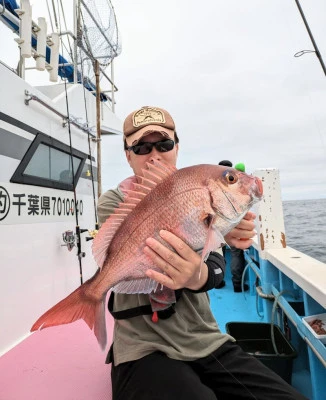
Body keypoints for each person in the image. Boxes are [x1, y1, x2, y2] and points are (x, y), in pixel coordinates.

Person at [98, 106, 307, 400]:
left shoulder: (197, 196)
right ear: (128, 154)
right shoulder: (114, 203)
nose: (154, 155)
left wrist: (218, 238)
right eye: (142, 147)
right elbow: (159, 249)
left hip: (205, 338)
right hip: (143, 346)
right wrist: (219, 231)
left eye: (164, 144)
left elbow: (215, 264)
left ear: (177, 147)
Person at [218, 160, 249, 293]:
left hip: (218, 226)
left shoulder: (215, 185)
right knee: (236, 254)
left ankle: (218, 282)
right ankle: (237, 284)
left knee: (218, 254)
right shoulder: (236, 186)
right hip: (233, 226)